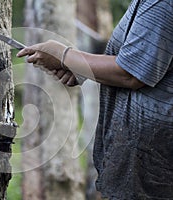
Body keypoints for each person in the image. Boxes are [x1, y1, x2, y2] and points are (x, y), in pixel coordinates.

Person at [17, 0, 173, 199]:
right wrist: (82, 67)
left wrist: (64, 56)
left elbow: (130, 74)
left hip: (154, 162)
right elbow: (141, 58)